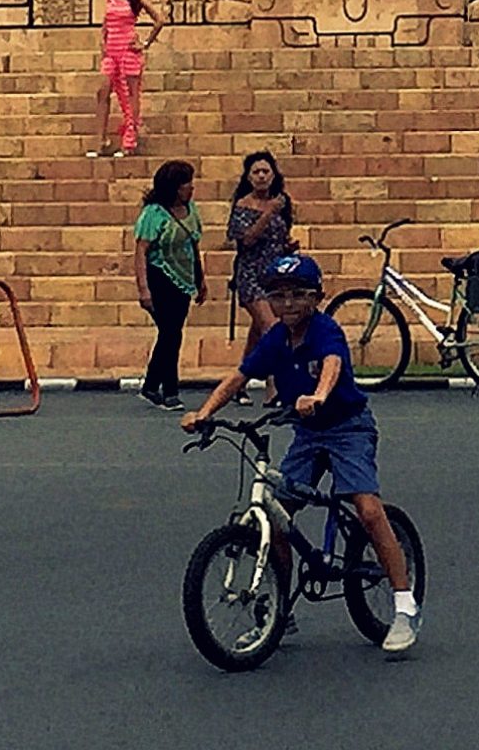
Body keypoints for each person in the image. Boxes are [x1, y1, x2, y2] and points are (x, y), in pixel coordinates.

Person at [181, 253, 422, 657]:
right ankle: (276, 612)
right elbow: (240, 376)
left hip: (348, 427)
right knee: (276, 516)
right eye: (279, 296)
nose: (288, 304)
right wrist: (204, 413)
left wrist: (320, 395)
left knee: (366, 508)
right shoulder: (275, 338)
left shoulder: (326, 331)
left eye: (298, 295)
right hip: (307, 433)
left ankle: (403, 605)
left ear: (317, 297)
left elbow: (331, 365)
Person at [134, 160, 207, 409]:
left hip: (183, 279)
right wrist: (143, 289)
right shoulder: (153, 214)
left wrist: (201, 279)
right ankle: (170, 390)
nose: (191, 188)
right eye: (187, 183)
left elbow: (193, 244)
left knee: (171, 333)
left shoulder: (191, 210)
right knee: (171, 333)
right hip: (160, 277)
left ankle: (151, 385)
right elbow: (141, 250)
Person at [226, 150, 297, 359]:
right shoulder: (243, 205)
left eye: (266, 171)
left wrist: (288, 246)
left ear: (273, 175)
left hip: (274, 275)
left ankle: (238, 384)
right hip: (251, 276)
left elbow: (281, 234)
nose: (261, 176)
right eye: (256, 172)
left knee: (257, 335)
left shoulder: (281, 202)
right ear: (249, 177)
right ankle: (277, 383)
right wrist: (268, 214)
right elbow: (246, 239)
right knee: (272, 328)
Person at [92, 0, 164, 157]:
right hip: (111, 51)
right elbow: (106, 22)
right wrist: (102, 42)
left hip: (128, 51)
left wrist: (146, 43)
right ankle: (100, 141)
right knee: (102, 91)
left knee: (130, 95)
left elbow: (160, 20)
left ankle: (129, 140)